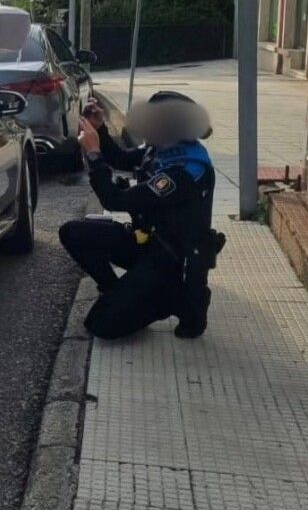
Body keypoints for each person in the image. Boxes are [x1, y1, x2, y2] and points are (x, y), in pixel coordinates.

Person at [59, 91, 224, 340]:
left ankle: (180, 300)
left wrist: (93, 155)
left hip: (169, 259)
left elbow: (114, 200)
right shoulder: (162, 150)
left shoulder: (184, 171)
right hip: (146, 242)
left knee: (101, 325)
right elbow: (120, 158)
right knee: (73, 232)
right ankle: (120, 294)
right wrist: (100, 129)